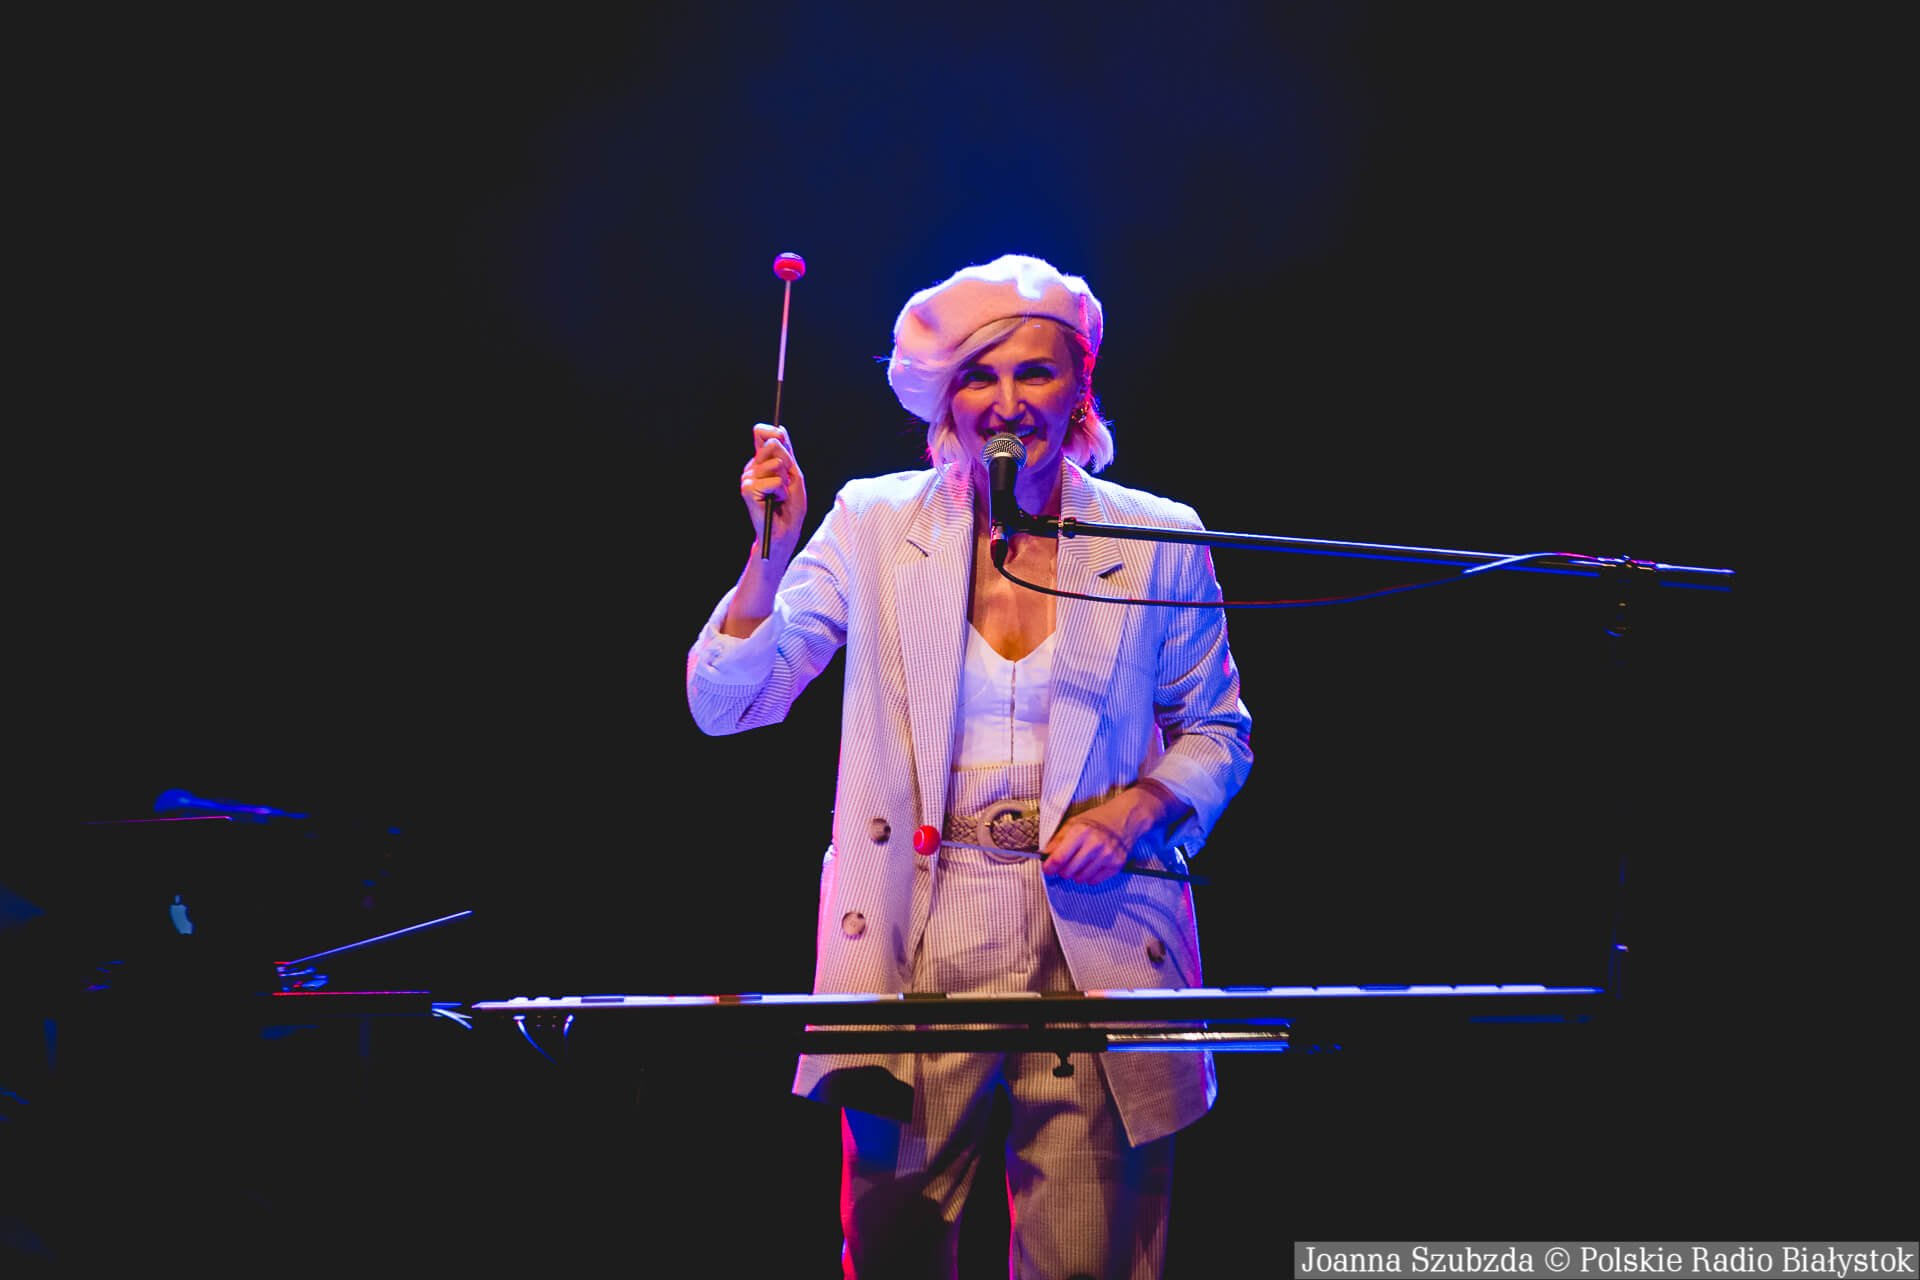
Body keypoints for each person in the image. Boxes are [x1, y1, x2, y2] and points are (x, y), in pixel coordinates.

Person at [686, 255, 1253, 1278]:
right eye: (979, 377)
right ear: (946, 399)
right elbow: (727, 705)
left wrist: (1133, 812)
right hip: (916, 928)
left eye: (1035, 373)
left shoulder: (1157, 536)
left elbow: (1218, 731)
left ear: (1080, 388)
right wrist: (767, 556)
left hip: (1098, 934)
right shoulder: (875, 521)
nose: (1007, 402)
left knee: (1088, 1256)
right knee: (893, 1248)